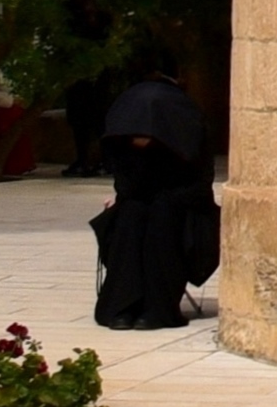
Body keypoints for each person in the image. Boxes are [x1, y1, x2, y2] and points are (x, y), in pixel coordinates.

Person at [88, 49, 220, 326]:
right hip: (176, 201)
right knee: (158, 222)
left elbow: (124, 174)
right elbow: (199, 174)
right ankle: (155, 311)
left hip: (148, 198)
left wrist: (126, 195)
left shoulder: (126, 104)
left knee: (134, 219)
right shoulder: (186, 108)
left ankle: (121, 310)